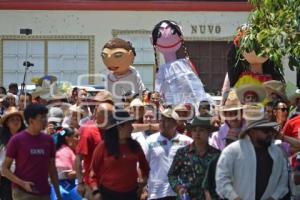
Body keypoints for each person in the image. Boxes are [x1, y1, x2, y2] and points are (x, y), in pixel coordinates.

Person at [216, 118, 289, 200]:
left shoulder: (277, 152)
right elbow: (221, 180)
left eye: (271, 130)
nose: (270, 134)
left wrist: (274, 197)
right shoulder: (232, 151)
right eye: (265, 131)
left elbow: (283, 179)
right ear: (252, 132)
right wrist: (234, 198)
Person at [2, 104, 62, 200]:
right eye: (41, 118)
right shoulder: (16, 140)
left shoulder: (49, 140)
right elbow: (4, 169)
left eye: (45, 117)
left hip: (44, 192)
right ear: (31, 121)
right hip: (23, 193)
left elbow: (52, 168)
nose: (45, 121)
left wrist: (58, 193)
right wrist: (22, 183)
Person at [91, 110, 149, 200]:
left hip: (131, 195)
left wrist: (142, 185)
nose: (132, 128)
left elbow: (145, 167)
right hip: (108, 195)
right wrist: (96, 191)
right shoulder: (103, 147)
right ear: (119, 127)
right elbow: (93, 172)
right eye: (129, 125)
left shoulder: (135, 146)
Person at [145, 108, 193, 200]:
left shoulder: (187, 141)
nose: (162, 123)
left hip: (180, 192)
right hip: (156, 193)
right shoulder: (150, 140)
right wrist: (143, 188)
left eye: (166, 121)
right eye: (161, 120)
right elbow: (142, 165)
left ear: (175, 123)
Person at [168, 116, 220, 200]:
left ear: (208, 132)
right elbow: (172, 174)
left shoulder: (216, 155)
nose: (197, 133)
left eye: (201, 130)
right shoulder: (182, 153)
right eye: (194, 130)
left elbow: (221, 178)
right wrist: (179, 188)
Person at [75, 102, 114, 199]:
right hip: (93, 185)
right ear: (98, 115)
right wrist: (80, 183)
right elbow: (78, 158)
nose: (112, 118)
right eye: (109, 115)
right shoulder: (87, 130)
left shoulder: (111, 129)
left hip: (111, 183)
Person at [101, 38, 145, 105]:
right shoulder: (108, 77)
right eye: (104, 56)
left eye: (118, 55)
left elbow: (141, 92)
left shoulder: (134, 74)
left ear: (130, 56)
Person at [0, 107, 26, 200]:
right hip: (6, 180)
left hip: (23, 178)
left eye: (18, 119)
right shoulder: (2, 140)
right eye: (12, 120)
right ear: (7, 123)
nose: (16, 122)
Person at [51, 128, 79, 200]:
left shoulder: (58, 151)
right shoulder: (67, 152)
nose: (78, 139)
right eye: (76, 136)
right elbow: (67, 174)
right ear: (67, 139)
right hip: (65, 188)